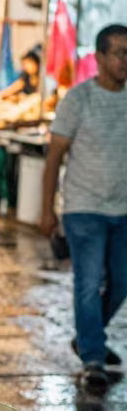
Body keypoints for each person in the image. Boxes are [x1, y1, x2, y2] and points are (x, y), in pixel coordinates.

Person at [40, 23, 127, 387]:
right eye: (119, 52)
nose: (125, 60)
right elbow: (54, 155)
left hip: (122, 209)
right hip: (83, 207)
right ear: (100, 57)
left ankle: (88, 336)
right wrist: (47, 209)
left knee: (121, 281)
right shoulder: (78, 99)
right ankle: (93, 356)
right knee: (88, 282)